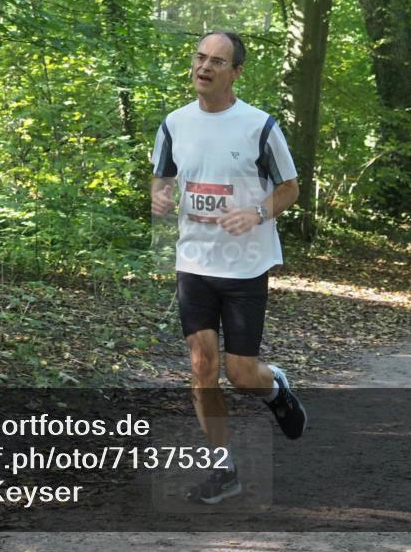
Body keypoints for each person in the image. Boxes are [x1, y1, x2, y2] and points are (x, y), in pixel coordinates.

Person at [150, 31, 307, 505]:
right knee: (202, 365)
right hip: (194, 261)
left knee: (241, 375)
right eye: (200, 57)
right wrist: (159, 194)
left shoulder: (259, 126)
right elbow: (162, 175)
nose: (205, 67)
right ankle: (223, 467)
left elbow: (291, 188)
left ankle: (274, 385)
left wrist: (257, 212)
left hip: (245, 266)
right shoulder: (174, 124)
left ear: (236, 72)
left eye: (218, 61)